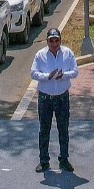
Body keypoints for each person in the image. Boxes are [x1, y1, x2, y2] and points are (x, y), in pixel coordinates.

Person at [31, 28, 78, 172]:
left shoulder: (67, 53)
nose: (54, 43)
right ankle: (44, 160)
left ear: (60, 41)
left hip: (62, 98)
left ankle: (64, 159)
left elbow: (75, 71)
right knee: (44, 130)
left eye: (56, 40)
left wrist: (63, 75)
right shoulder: (40, 55)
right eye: (51, 41)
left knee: (63, 129)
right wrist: (47, 76)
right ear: (47, 41)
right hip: (45, 98)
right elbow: (33, 73)